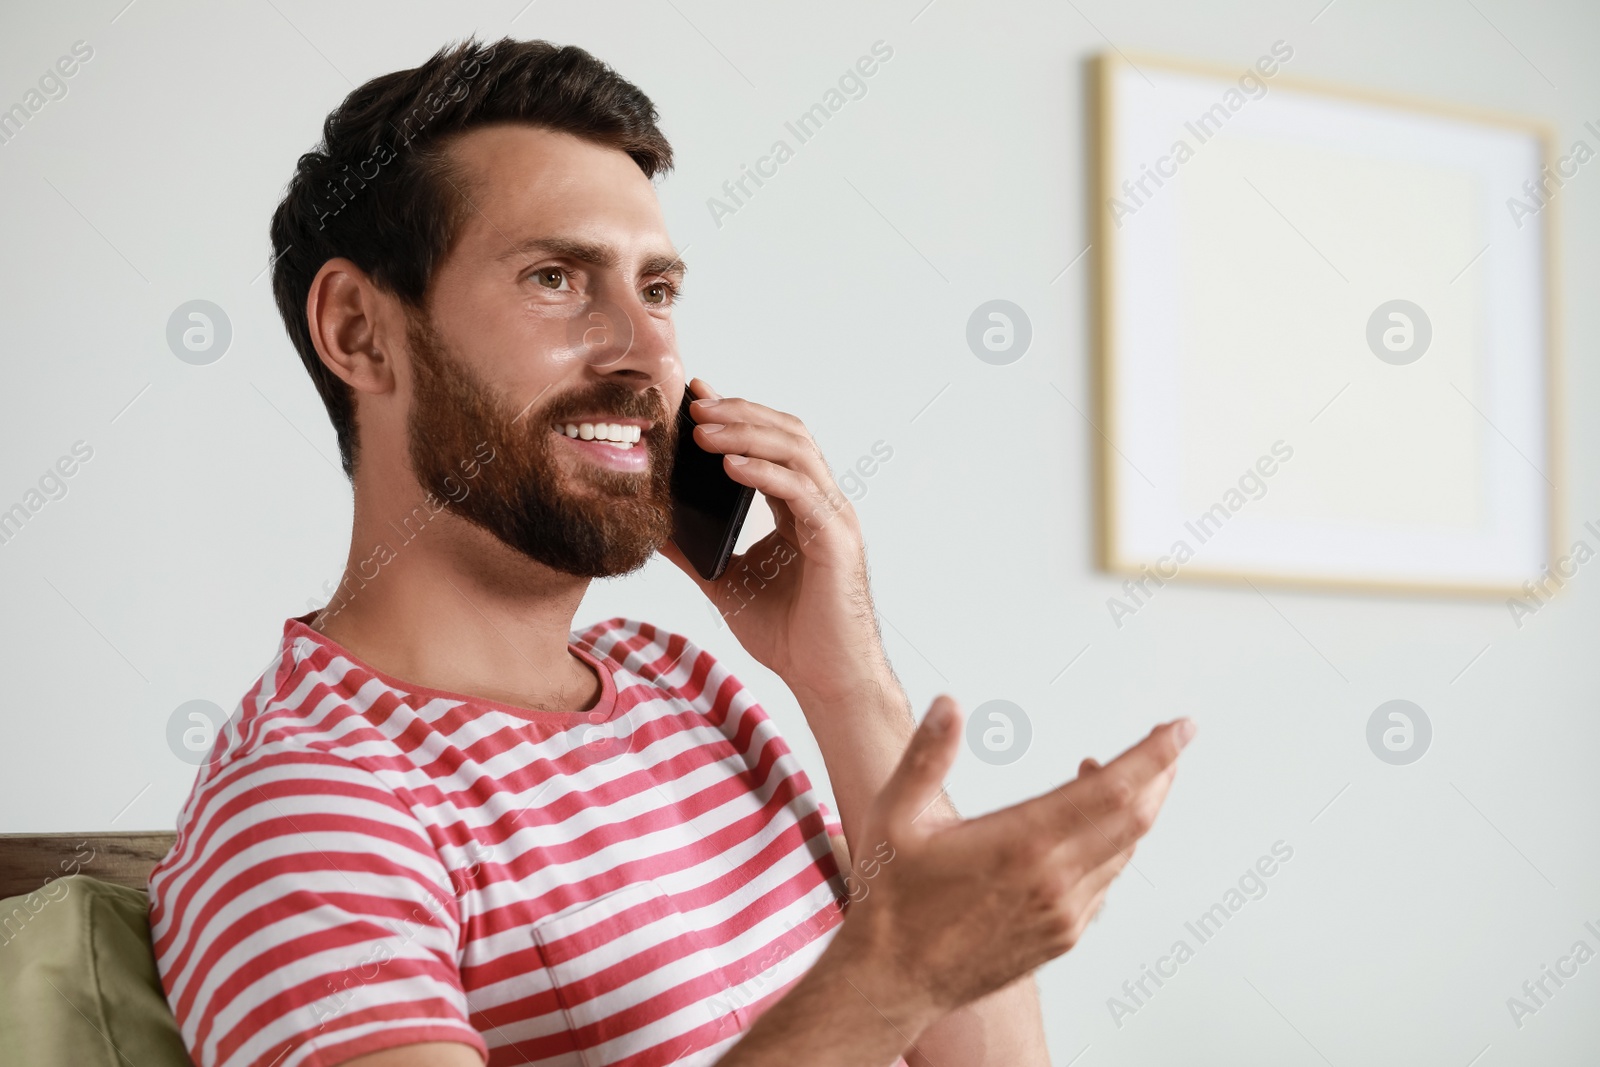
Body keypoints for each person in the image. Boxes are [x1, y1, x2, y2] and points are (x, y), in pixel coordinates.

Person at [147, 37, 1193, 1067]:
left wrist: (841, 677)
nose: (650, 353)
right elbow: (892, 985)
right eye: (555, 278)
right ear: (360, 331)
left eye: (656, 290)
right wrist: (895, 977)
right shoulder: (304, 807)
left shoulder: (677, 682)